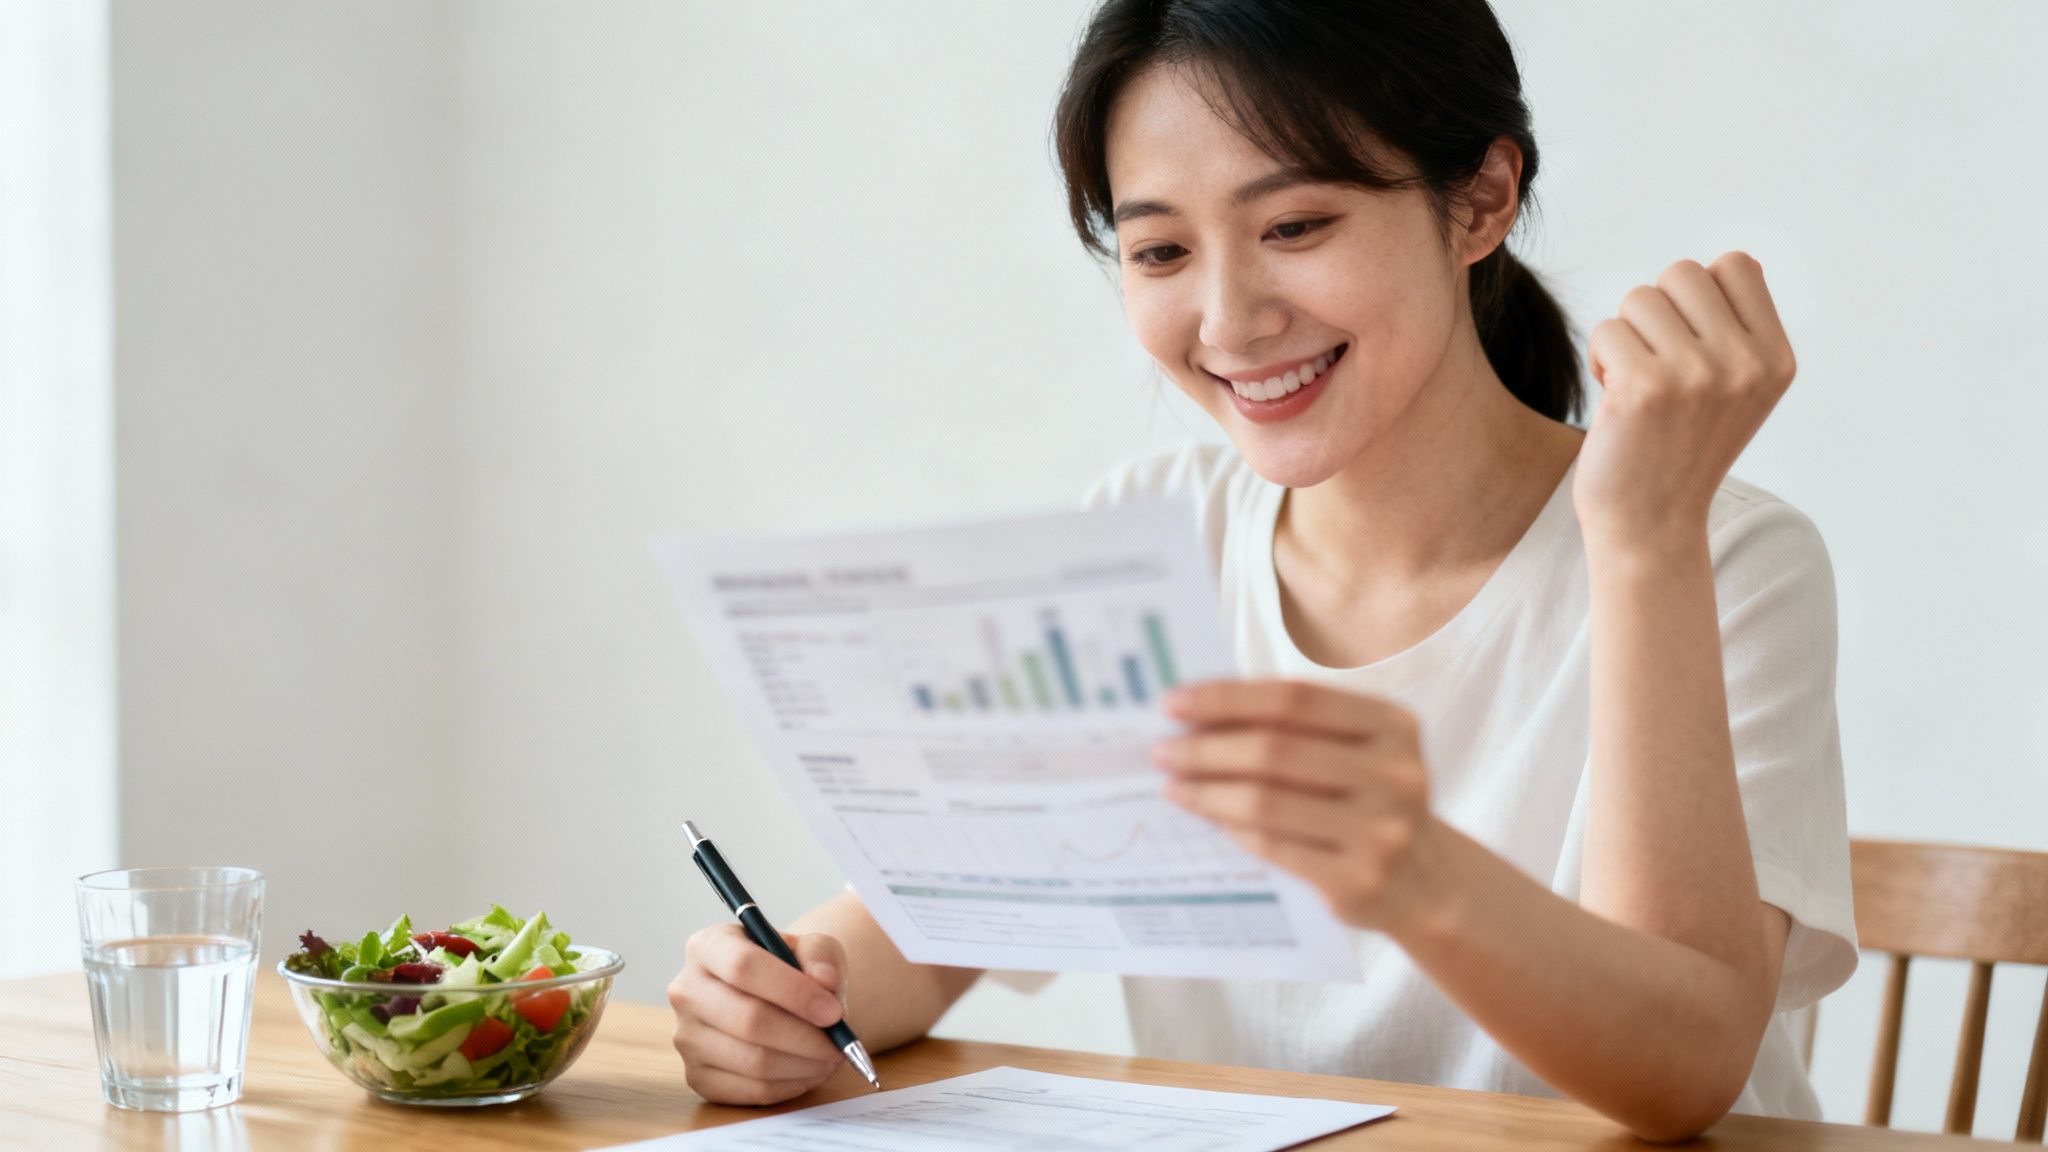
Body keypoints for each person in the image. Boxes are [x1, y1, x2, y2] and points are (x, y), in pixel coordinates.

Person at [665, 0, 1855, 1138]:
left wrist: (1641, 538)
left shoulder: (1711, 553)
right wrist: (779, 1000)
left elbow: (1682, 1068)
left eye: (1293, 227)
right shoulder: (1152, 537)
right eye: (1160, 250)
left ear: (1480, 199)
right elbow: (934, 928)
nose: (1228, 321)